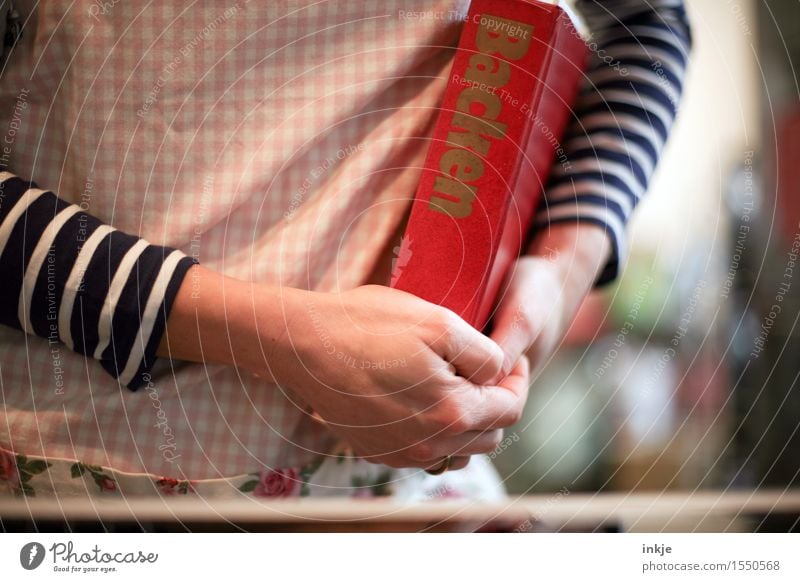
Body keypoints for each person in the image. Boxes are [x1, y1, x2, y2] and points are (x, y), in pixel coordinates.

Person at [0, 0, 691, 499]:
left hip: (405, 488)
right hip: (78, 478)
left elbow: (648, 23)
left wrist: (558, 270)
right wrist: (282, 337)